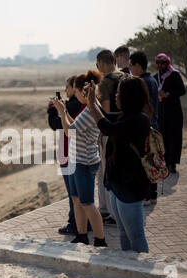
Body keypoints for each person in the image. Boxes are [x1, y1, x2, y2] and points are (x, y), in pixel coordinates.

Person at [85, 77, 151, 253]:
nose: (115, 96)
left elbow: (107, 128)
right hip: (117, 185)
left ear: (128, 96)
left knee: (136, 237)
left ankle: (143, 273)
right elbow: (106, 118)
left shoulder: (139, 120)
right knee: (123, 234)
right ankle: (130, 268)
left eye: (119, 93)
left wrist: (91, 104)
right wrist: (93, 100)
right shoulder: (126, 117)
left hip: (130, 188)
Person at [53, 70, 107, 247]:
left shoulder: (91, 111)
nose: (77, 95)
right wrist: (65, 111)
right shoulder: (88, 109)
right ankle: (81, 235)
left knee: (88, 203)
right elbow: (73, 126)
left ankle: (100, 239)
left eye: (78, 91)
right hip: (78, 161)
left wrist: (61, 113)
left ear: (86, 92)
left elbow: (70, 131)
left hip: (85, 162)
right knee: (76, 200)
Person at [48, 76, 85, 235]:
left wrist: (51, 108)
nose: (65, 90)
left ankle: (75, 223)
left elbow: (55, 124)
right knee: (78, 193)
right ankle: (83, 222)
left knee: (73, 194)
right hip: (73, 152)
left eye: (68, 87)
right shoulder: (79, 105)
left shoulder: (73, 105)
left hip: (69, 153)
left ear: (75, 88)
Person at [95, 50, 127, 225]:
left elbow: (106, 111)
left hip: (109, 132)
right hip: (126, 128)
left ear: (101, 62)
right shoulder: (126, 77)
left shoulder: (106, 82)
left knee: (105, 173)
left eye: (97, 64)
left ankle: (108, 212)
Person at [129, 51, 159, 206]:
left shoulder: (141, 82)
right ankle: (152, 195)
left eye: (131, 65)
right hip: (153, 125)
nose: (130, 69)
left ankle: (146, 196)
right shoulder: (152, 80)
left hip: (144, 127)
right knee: (152, 161)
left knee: (144, 162)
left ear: (138, 66)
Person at [154, 53, 186, 174]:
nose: (161, 65)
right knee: (163, 138)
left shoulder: (175, 75)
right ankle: (165, 162)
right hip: (161, 112)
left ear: (168, 63)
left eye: (163, 63)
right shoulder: (155, 77)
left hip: (174, 112)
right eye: (158, 63)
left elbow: (182, 90)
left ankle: (173, 163)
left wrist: (168, 94)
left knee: (174, 138)